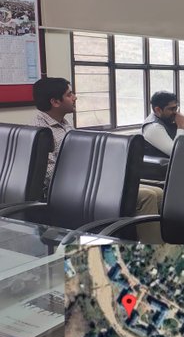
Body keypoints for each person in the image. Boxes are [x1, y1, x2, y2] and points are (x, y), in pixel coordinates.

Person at [32, 78, 162, 243]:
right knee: (147, 196)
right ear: (55, 102)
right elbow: (50, 175)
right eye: (69, 94)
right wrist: (94, 178)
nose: (75, 97)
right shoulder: (42, 132)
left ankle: (156, 245)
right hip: (71, 191)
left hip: (87, 182)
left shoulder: (64, 124)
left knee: (159, 192)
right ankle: (154, 254)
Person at [141, 91, 184, 157]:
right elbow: (177, 153)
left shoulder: (166, 120)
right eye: (171, 109)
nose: (175, 112)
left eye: (176, 108)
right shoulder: (153, 127)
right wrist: (181, 127)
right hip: (165, 163)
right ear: (158, 110)